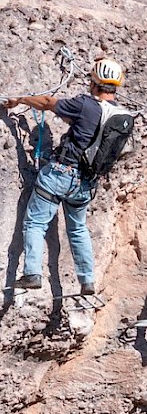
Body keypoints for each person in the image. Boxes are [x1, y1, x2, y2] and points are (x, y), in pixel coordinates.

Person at [3, 58, 125, 294]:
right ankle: (87, 281)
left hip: (61, 173)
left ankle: (31, 273)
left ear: (95, 82)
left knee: (36, 222)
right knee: (78, 229)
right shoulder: (120, 114)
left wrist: (19, 100)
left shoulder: (86, 105)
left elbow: (48, 102)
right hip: (87, 183)